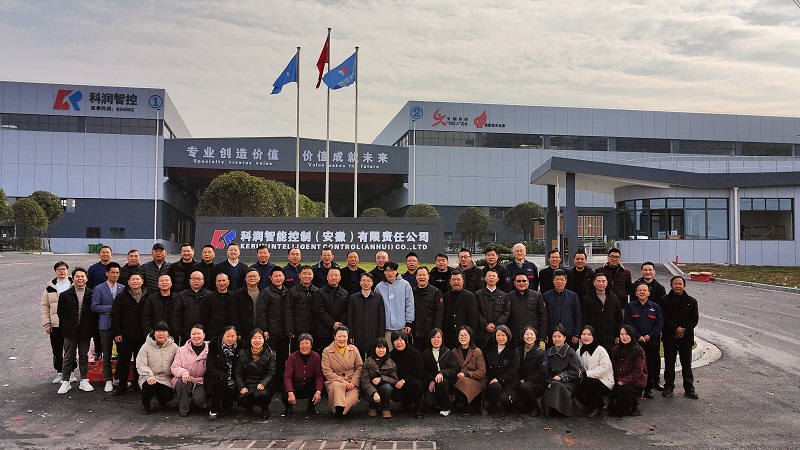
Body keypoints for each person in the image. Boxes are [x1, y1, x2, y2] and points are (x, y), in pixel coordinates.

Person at [56, 267, 96, 394]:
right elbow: (60, 313)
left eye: (82, 276)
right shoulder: (65, 295)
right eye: (77, 276)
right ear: (73, 278)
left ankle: (84, 380)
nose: (80, 278)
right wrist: (67, 326)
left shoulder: (92, 294)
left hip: (85, 330)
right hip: (69, 331)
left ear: (86, 278)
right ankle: (65, 381)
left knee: (84, 356)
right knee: (68, 356)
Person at [660, 276, 700, 399]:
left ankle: (689, 388)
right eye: (675, 284)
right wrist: (675, 328)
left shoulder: (692, 301)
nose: (678, 286)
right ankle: (668, 387)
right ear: (671, 286)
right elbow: (664, 317)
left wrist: (682, 329)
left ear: (684, 286)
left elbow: (694, 319)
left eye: (680, 284)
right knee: (669, 364)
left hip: (686, 337)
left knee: (686, 364)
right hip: (669, 336)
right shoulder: (664, 300)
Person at [111, 271, 148, 395]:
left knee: (140, 361)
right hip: (125, 335)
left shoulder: (148, 296)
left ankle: (138, 384)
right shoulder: (121, 296)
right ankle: (122, 385)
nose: (135, 281)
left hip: (142, 335)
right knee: (123, 361)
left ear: (142, 281)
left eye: (138, 279)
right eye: (133, 279)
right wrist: (117, 333)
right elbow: (115, 316)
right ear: (128, 282)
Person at [625, 282, 664, 398]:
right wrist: (638, 336)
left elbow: (659, 324)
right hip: (636, 342)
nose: (642, 292)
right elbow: (628, 322)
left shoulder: (655, 307)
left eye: (644, 290)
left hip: (651, 342)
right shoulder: (630, 306)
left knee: (650, 365)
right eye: (639, 290)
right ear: (636, 293)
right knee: (634, 365)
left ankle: (648, 388)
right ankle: (635, 387)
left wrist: (649, 336)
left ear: (649, 293)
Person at [90, 261, 124, 392]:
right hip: (105, 325)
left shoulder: (122, 288)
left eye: (117, 273)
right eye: (113, 272)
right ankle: (108, 379)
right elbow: (94, 307)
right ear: (107, 273)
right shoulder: (99, 288)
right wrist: (113, 309)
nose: (115, 275)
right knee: (106, 353)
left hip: (120, 326)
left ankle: (118, 377)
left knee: (122, 353)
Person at [257, 266, 290, 389]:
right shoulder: (265, 292)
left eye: (280, 276)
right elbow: (261, 312)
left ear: (284, 277)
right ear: (271, 278)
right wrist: (264, 329)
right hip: (271, 332)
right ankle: (266, 384)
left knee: (282, 359)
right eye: (275, 276)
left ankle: (280, 384)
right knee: (267, 359)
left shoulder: (287, 292)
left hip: (284, 332)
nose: (278, 278)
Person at [136, 321, 179, 415]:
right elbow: (140, 364)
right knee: (149, 386)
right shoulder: (146, 346)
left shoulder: (174, 347)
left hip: (166, 378)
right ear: (154, 333)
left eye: (164, 331)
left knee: (167, 396)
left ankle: (161, 400)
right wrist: (149, 376)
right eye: (158, 331)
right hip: (149, 376)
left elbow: (179, 362)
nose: (161, 334)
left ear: (168, 334)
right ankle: (146, 405)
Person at [443, 325, 486, 416]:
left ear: (470, 336)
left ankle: (470, 408)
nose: (463, 337)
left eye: (465, 335)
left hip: (476, 379)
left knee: (464, 381)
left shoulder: (477, 351)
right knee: (458, 381)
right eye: (461, 335)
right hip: (460, 378)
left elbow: (482, 372)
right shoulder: (455, 351)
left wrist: (466, 374)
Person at [321, 326, 363, 416]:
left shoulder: (354, 349)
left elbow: (359, 367)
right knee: (336, 388)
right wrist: (343, 381)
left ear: (347, 337)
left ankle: (342, 410)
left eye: (344, 336)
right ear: (334, 336)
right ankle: (338, 410)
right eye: (339, 336)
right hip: (335, 381)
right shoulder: (327, 351)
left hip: (351, 382)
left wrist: (353, 383)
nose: (342, 339)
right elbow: (327, 371)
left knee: (353, 398)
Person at [41, 261, 72, 385]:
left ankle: (71, 372)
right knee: (57, 349)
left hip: (71, 323)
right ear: (55, 271)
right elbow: (44, 306)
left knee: (71, 349)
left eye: (63, 269)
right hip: (56, 324)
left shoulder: (74, 284)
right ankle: (59, 372)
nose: (61, 271)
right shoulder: (50, 288)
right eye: (59, 269)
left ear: (67, 270)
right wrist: (47, 324)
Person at [236, 328, 277, 419]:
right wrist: (242, 387)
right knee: (242, 399)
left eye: (260, 338)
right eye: (254, 338)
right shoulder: (243, 353)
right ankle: (249, 406)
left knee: (262, 395)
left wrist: (263, 383)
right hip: (248, 384)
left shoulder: (270, 354)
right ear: (250, 340)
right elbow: (238, 373)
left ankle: (264, 408)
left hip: (263, 385)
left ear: (264, 340)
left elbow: (271, 372)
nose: (257, 341)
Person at [542, 326, 581, 417]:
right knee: (553, 384)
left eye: (559, 336)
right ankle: (552, 408)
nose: (556, 339)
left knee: (556, 384)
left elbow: (574, 371)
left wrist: (561, 377)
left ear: (564, 338)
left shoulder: (570, 352)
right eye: (554, 336)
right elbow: (545, 370)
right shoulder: (549, 352)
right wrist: (549, 380)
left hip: (569, 381)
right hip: (553, 380)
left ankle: (563, 410)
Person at [375, 261, 414, 351]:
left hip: (401, 327)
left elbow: (409, 304)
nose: (390, 273)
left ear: (396, 271)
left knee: (402, 351)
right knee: (387, 351)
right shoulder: (379, 287)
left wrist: (409, 322)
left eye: (392, 270)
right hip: (386, 328)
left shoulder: (405, 285)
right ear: (384, 272)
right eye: (387, 270)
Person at [205, 326, 242, 420]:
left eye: (233, 336)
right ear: (223, 336)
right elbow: (210, 369)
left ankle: (228, 404)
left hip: (234, 381)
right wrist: (226, 377)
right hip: (216, 381)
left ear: (237, 337)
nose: (230, 339)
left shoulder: (241, 349)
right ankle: (214, 409)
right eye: (227, 336)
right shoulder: (214, 347)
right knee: (221, 382)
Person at [609, 325, 647, 417]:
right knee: (613, 409)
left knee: (621, 391)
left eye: (627, 334)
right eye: (622, 334)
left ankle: (635, 405)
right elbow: (613, 368)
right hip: (619, 383)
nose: (624, 337)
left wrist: (623, 381)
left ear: (632, 335)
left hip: (635, 383)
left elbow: (638, 372)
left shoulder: (638, 350)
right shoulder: (615, 350)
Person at [576, 325, 614, 417]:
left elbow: (605, 368)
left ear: (593, 336)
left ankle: (598, 406)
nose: (586, 337)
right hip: (587, 380)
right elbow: (578, 368)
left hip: (604, 381)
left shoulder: (600, 350)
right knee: (580, 385)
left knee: (589, 382)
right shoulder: (578, 351)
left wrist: (587, 374)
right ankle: (590, 403)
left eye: (589, 334)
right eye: (584, 334)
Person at [171, 324, 208, 417]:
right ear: (190, 335)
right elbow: (174, 366)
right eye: (193, 334)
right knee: (182, 382)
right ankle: (183, 408)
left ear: (204, 335)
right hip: (185, 379)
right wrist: (183, 373)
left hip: (201, 381)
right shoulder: (182, 350)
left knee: (199, 399)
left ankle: (195, 401)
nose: (196, 336)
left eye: (199, 333)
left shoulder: (210, 349)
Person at [282, 333, 324, 416]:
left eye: (307, 343)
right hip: (295, 386)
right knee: (285, 393)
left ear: (311, 345)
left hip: (309, 385)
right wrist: (290, 392)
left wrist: (318, 391)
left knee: (321, 388)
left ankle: (311, 407)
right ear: (298, 345)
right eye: (302, 344)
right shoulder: (292, 357)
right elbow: (287, 376)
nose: (304, 346)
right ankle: (288, 408)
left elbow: (318, 375)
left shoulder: (316, 356)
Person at [482, 325, 519, 415]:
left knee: (504, 399)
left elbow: (513, 370)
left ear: (508, 336)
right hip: (493, 382)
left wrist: (499, 379)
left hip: (509, 383)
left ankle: (509, 405)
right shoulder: (490, 349)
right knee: (494, 387)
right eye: (498, 335)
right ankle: (492, 407)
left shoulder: (513, 350)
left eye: (503, 335)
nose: (500, 338)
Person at [581, 272, 622, 353]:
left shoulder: (613, 298)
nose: (601, 283)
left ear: (607, 283)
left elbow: (619, 318)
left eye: (603, 281)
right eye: (598, 281)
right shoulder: (587, 299)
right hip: (594, 336)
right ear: (594, 283)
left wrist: (618, 334)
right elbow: (584, 318)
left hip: (611, 336)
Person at [346, 273, 386, 356]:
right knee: (358, 358)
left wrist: (380, 336)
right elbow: (350, 318)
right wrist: (351, 334)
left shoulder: (378, 298)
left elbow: (381, 318)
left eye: (368, 281)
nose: (366, 283)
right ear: (360, 282)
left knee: (373, 358)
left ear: (372, 283)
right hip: (358, 335)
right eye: (363, 280)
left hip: (373, 335)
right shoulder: (353, 298)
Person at [312, 267, 349, 354]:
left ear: (340, 278)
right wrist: (332, 324)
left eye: (336, 275)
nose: (334, 278)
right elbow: (319, 311)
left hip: (340, 332)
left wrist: (340, 324)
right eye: (331, 275)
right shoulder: (320, 293)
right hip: (323, 332)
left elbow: (347, 310)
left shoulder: (345, 293)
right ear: (327, 277)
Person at [389, 330, 425, 418]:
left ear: (405, 341)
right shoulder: (391, 355)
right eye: (396, 340)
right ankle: (405, 403)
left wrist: (404, 380)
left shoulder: (414, 352)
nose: (398, 343)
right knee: (393, 393)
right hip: (398, 382)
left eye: (401, 340)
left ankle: (418, 408)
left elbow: (419, 371)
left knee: (414, 384)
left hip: (414, 381)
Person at [360, 337, 399, 418]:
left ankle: (385, 408)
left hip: (384, 388)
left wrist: (382, 378)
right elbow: (364, 381)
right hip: (370, 389)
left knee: (387, 387)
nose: (381, 350)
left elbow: (395, 380)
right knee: (366, 389)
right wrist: (374, 392)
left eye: (383, 348)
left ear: (386, 349)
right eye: (378, 347)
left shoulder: (391, 363)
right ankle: (373, 406)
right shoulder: (367, 362)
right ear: (374, 349)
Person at [543, 269, 582, 349]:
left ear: (566, 281)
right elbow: (543, 316)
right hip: (552, 333)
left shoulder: (573, 296)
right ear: (553, 281)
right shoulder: (546, 296)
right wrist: (544, 333)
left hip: (569, 333)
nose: (559, 282)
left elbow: (578, 316)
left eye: (562, 279)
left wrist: (576, 334)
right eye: (557, 279)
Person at [507, 273, 547, 347]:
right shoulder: (509, 296)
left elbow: (543, 316)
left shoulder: (536, 296)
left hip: (532, 336)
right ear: (514, 283)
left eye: (524, 281)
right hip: (514, 337)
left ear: (528, 282)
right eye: (518, 281)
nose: (521, 283)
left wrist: (542, 335)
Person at [422, 328, 455, 416]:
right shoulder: (425, 354)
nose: (436, 339)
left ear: (442, 339)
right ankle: (440, 402)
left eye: (438, 337)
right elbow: (424, 370)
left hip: (446, 382)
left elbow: (453, 369)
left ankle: (445, 408)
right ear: (430, 339)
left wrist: (442, 373)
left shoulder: (448, 352)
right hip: (432, 382)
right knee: (428, 403)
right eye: (433, 337)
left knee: (441, 382)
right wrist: (432, 380)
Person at [441, 270, 479, 349]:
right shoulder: (445, 296)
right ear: (450, 282)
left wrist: (471, 337)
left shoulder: (469, 296)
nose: (456, 282)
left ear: (463, 281)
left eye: (458, 279)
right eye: (453, 280)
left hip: (463, 337)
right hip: (448, 336)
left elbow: (473, 319)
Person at [172, 271, 212, 345]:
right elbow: (176, 315)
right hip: (186, 333)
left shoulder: (209, 295)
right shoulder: (182, 295)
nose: (196, 281)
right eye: (194, 279)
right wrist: (178, 332)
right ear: (189, 280)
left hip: (205, 334)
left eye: (199, 279)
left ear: (203, 280)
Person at [411, 267, 444, 353]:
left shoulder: (436, 292)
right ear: (416, 277)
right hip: (415, 332)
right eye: (419, 275)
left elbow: (439, 312)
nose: (422, 277)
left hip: (430, 332)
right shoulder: (411, 292)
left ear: (428, 276)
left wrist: (436, 330)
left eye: (424, 275)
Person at [516, 327, 548, 416]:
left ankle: (536, 408)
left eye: (531, 334)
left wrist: (526, 380)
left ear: (536, 337)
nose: (529, 336)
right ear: (523, 337)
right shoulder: (518, 351)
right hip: (521, 382)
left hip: (537, 383)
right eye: (527, 334)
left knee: (524, 387)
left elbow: (542, 373)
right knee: (518, 406)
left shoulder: (540, 353)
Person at [474, 268, 510, 344]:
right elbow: (476, 312)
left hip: (498, 333)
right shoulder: (478, 294)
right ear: (485, 279)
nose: (491, 278)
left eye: (494, 276)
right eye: (489, 276)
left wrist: (496, 325)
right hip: (482, 333)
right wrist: (485, 325)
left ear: (497, 279)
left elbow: (506, 312)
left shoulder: (504, 296)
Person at [285, 265, 317, 351]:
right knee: (296, 352)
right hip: (297, 330)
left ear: (313, 275)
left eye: (309, 274)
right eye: (304, 273)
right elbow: (288, 312)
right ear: (299, 275)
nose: (307, 276)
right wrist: (290, 330)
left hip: (313, 330)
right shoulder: (292, 292)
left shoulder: (316, 291)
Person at [141, 274, 177, 338]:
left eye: (166, 280)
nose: (164, 282)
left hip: (173, 335)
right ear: (158, 284)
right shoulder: (151, 299)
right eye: (161, 281)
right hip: (155, 335)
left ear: (171, 283)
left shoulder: (177, 298)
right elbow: (146, 317)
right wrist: (151, 333)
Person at [200, 273, 233, 339]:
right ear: (216, 283)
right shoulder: (209, 298)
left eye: (223, 280)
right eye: (219, 281)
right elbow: (205, 317)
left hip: (230, 333)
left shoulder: (234, 297)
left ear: (228, 282)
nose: (221, 283)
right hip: (214, 333)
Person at [230, 268, 261, 339]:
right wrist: (237, 332)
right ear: (246, 279)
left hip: (259, 331)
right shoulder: (238, 294)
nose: (252, 278)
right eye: (249, 276)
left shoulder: (263, 293)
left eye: (254, 276)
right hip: (244, 332)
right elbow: (233, 314)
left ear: (259, 278)